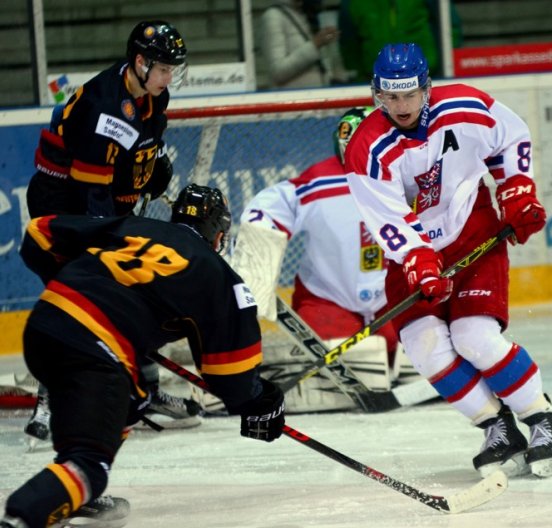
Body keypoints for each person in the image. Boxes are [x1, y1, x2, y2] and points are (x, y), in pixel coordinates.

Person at [344, 43, 552, 478]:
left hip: (473, 230)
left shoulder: (465, 105)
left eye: (409, 95)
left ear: (426, 88)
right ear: (377, 94)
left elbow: (511, 135)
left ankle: (543, 422)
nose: (401, 106)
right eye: (390, 97)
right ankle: (496, 428)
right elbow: (387, 218)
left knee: (474, 336)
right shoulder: (367, 148)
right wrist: (417, 258)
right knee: (426, 349)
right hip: (410, 252)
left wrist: (516, 187)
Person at [0, 184, 285, 528]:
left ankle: (67, 492)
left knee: (134, 397)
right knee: (88, 466)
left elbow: (38, 234)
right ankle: (26, 515)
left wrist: (80, 285)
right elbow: (232, 380)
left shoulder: (130, 226)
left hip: (45, 325)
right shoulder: (218, 275)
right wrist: (262, 402)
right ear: (219, 234)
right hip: (95, 350)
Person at [23, 20, 200, 444]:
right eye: (162, 68)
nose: (168, 77)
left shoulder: (155, 96)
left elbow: (141, 154)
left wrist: (146, 174)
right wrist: (110, 240)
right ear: (139, 63)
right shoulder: (105, 107)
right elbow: (93, 191)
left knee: (134, 289)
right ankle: (50, 402)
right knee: (79, 297)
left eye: (172, 69)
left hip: (98, 199)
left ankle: (147, 389)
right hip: (62, 206)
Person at [240, 107, 397, 361]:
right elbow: (268, 208)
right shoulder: (320, 182)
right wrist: (256, 266)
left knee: (418, 343)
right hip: (327, 299)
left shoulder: (405, 174)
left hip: (394, 298)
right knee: (336, 355)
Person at [338, 0, 462, 82]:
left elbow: (450, 28)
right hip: (377, 81)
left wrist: (442, 68)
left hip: (427, 76)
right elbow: (349, 43)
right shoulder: (352, 2)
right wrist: (362, 78)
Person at [259, 0, 343, 89]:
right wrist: (315, 44)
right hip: (293, 99)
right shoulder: (273, 17)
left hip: (318, 95)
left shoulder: (306, 13)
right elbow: (277, 72)